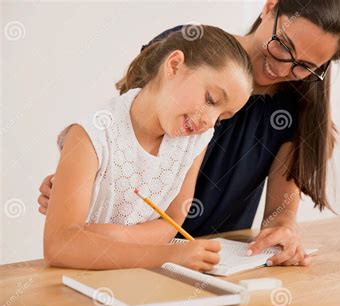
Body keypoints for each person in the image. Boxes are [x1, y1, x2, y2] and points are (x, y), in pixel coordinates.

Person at [39, 0, 340, 267]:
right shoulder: (190, 47)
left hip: (213, 262)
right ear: (270, 7)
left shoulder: (294, 108)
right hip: (124, 251)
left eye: (304, 66)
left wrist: (285, 232)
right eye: (282, 46)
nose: (281, 70)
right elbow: (123, 131)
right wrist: (81, 177)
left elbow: (279, 215)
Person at [43, 26, 253, 271]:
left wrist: (104, 236)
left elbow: (174, 220)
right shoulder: (91, 135)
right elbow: (60, 246)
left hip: (142, 278)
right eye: (211, 100)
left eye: (221, 117)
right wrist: (168, 255)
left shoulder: (195, 139)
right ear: (174, 65)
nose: (209, 121)